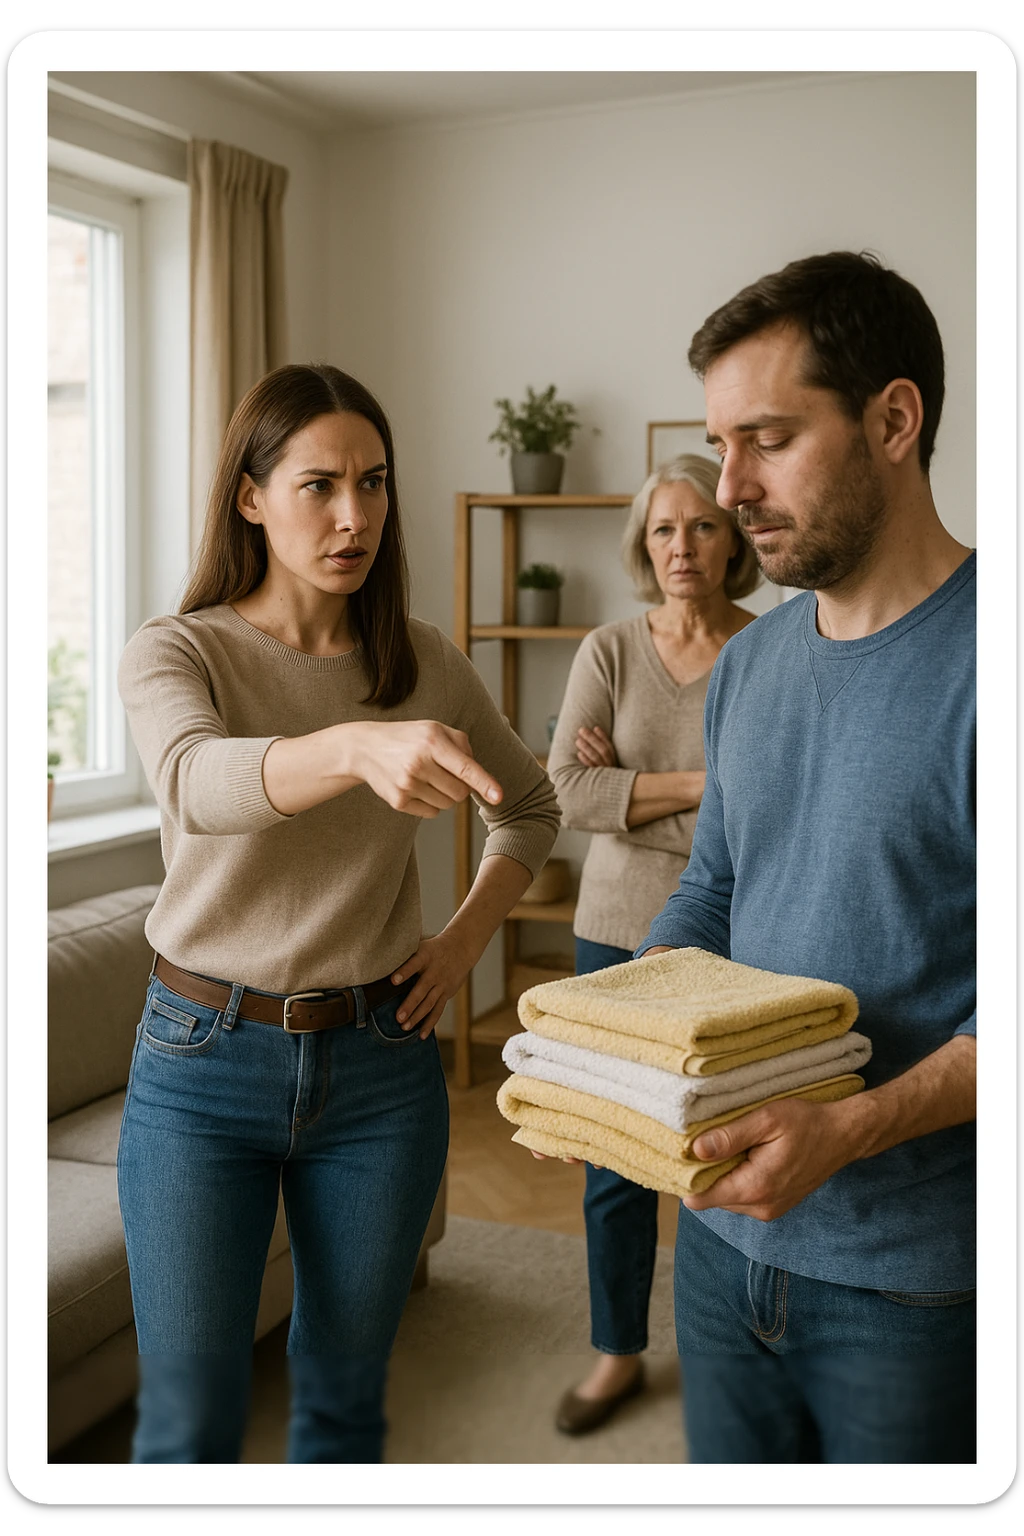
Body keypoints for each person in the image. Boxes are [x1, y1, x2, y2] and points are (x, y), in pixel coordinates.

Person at [115, 362, 561, 1464]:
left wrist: (462, 942)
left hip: (378, 1064)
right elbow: (196, 785)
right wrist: (357, 745)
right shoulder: (181, 649)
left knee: (345, 1402)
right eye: (318, 485)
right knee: (186, 1422)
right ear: (251, 498)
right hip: (199, 1062)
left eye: (374, 482)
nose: (353, 515)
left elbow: (534, 809)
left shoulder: (423, 664)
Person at [633, 251, 976, 1463]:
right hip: (722, 1251)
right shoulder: (751, 667)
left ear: (893, 418)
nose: (729, 489)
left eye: (766, 440)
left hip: (919, 1282)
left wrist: (851, 1127)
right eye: (720, 445)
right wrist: (609, 1036)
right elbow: (717, 888)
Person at [542, 453, 761, 1433]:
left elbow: (772, 812)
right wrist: (702, 786)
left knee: (727, 1145)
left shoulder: (775, 648)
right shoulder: (608, 650)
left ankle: (734, 1346)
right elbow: (566, 793)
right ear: (644, 543)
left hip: (738, 932)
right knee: (615, 1160)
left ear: (734, 539)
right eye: (664, 529)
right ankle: (615, 1353)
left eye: (702, 526)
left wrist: (632, 789)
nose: (682, 546)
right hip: (614, 932)